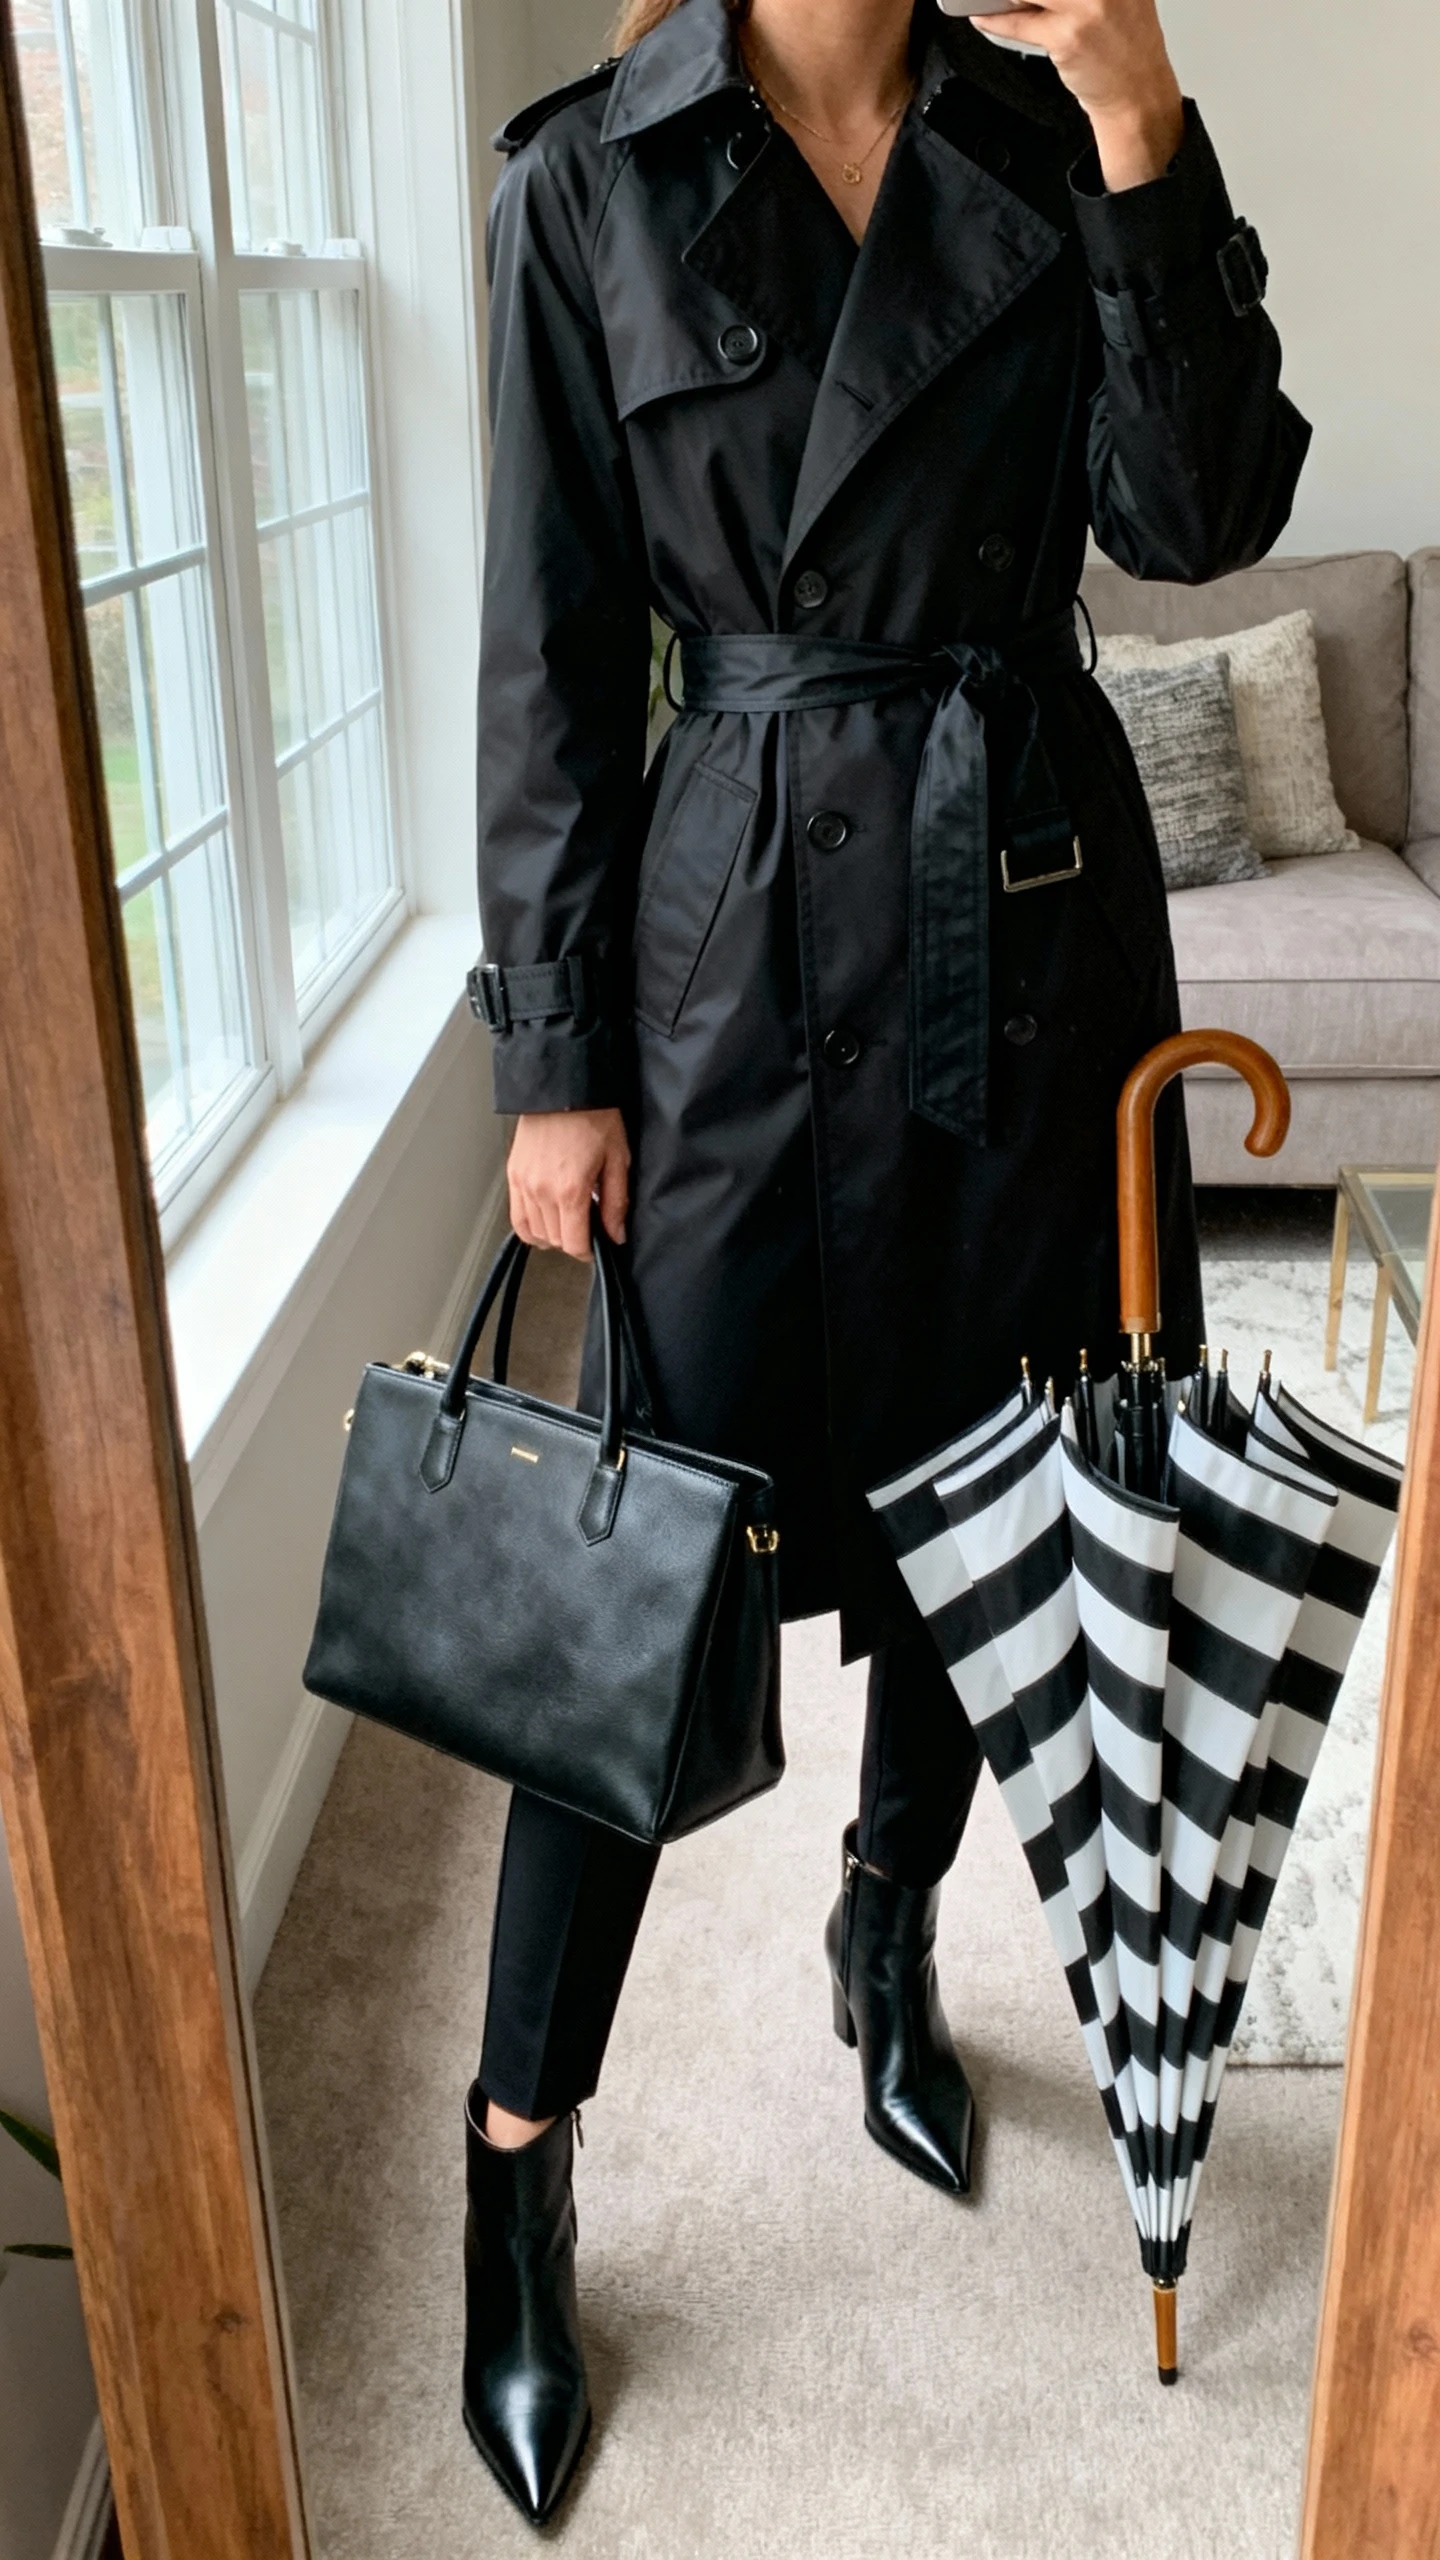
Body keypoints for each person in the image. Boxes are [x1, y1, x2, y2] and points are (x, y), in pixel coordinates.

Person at [463, 0, 1309, 2522]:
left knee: (992, 1521)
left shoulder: (1055, 132)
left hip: (1021, 949)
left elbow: (1201, 514)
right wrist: (551, 1062)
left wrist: (1150, 111)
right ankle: (517, 2154)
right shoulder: (581, 185)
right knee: (628, 1591)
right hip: (724, 980)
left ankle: (883, 1923)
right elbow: (548, 655)